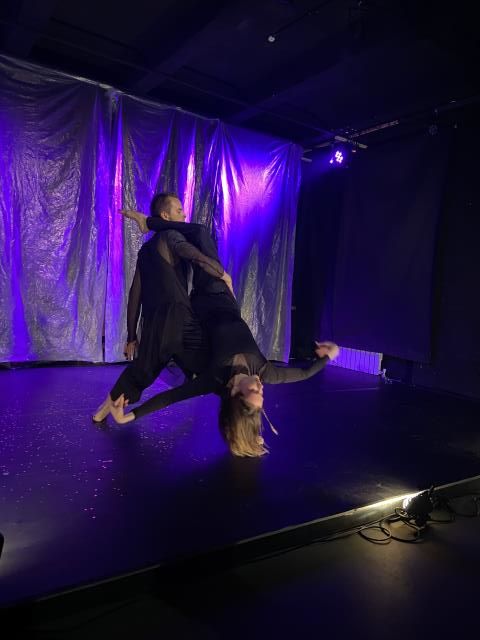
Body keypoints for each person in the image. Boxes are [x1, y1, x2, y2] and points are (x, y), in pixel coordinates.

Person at [115, 208, 340, 456]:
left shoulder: (214, 378)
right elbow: (305, 373)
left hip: (198, 303)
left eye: (254, 392)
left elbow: (171, 397)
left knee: (197, 236)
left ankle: (150, 223)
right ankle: (151, 224)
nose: (261, 388)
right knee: (198, 235)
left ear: (234, 393)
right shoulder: (266, 372)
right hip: (221, 293)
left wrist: (131, 416)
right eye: (262, 394)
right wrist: (328, 355)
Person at [93, 193, 232, 422]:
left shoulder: (145, 251)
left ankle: (101, 413)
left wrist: (131, 337)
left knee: (141, 371)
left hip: (154, 325)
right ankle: (241, 413)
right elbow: (195, 256)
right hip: (178, 319)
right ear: (165, 216)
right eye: (179, 210)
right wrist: (222, 274)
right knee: (213, 373)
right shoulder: (171, 236)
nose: (184, 215)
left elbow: (135, 294)